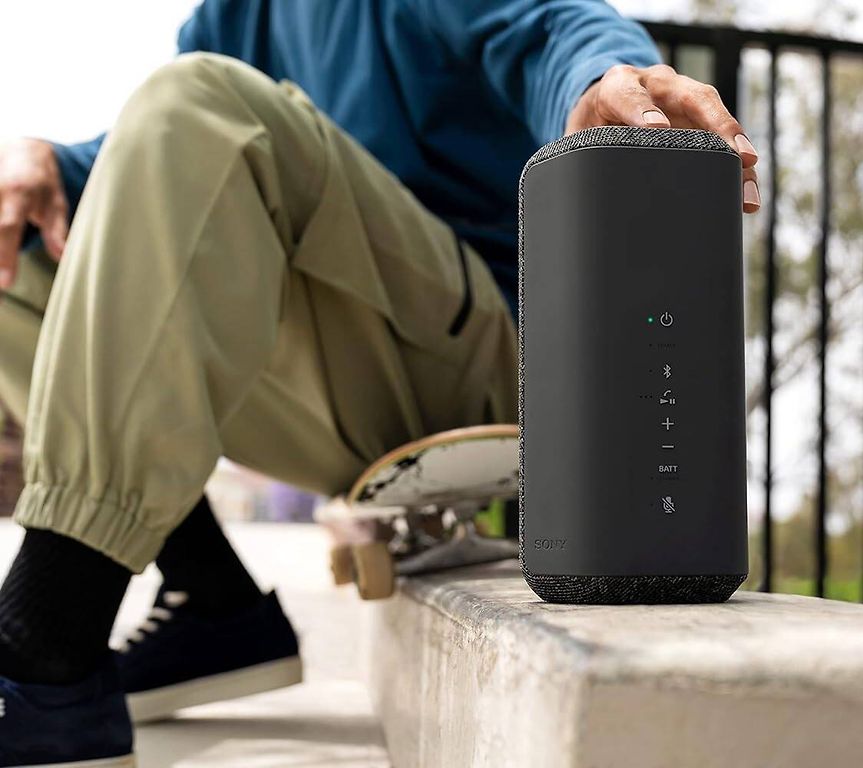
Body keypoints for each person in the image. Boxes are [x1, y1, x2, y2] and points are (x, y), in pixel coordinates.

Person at [0, 1, 759, 765]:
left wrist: (601, 78)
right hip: (341, 389)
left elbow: (549, 26)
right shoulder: (229, 18)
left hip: (482, 365)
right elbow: (150, 169)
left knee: (198, 100)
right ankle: (211, 598)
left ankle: (46, 649)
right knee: (17, 251)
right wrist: (52, 163)